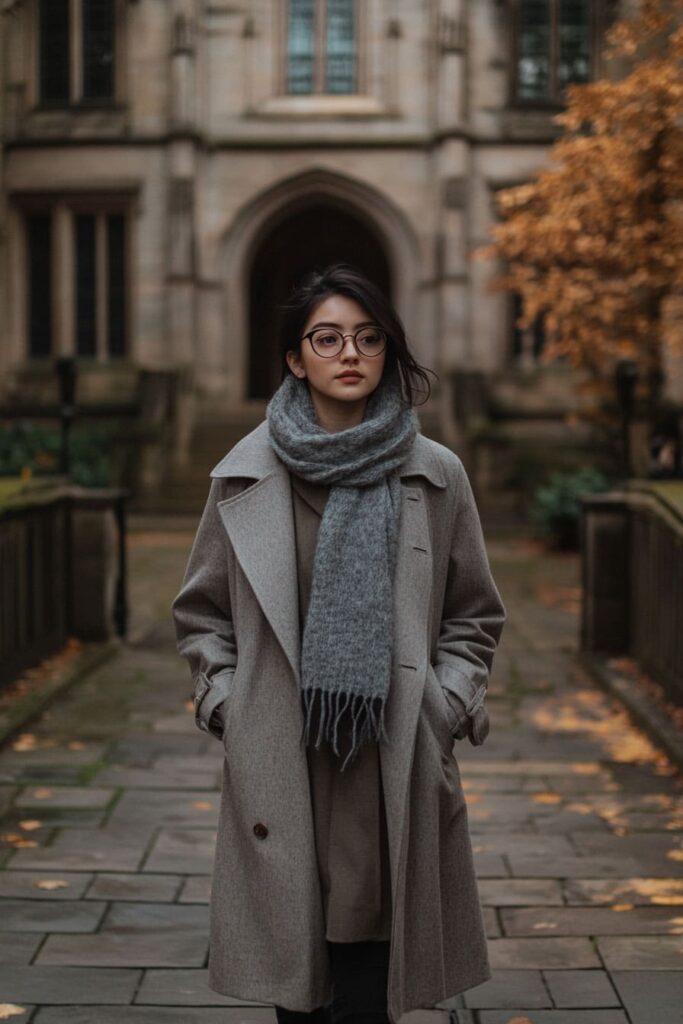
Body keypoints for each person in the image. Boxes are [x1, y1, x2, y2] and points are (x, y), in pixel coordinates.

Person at [171, 262, 507, 1024]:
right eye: (327, 338)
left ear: (387, 350)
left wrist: (440, 703)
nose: (348, 353)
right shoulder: (244, 475)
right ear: (296, 356)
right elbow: (201, 614)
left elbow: (473, 615)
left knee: (370, 982)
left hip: (388, 758)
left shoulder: (436, 473)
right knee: (297, 980)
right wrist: (230, 702)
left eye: (367, 337)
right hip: (283, 757)